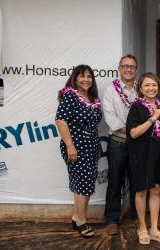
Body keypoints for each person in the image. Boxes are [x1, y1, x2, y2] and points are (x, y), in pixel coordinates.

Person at [55, 64, 102, 238]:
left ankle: (77, 216)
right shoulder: (70, 96)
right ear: (75, 78)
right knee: (82, 184)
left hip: (91, 146)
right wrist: (70, 146)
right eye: (82, 76)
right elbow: (60, 121)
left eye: (89, 76)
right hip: (75, 147)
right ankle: (81, 221)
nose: (86, 79)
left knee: (88, 183)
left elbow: (94, 125)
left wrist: (96, 147)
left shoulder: (92, 98)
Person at [126, 72, 160, 245]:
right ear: (140, 89)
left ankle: (154, 229)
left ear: (159, 87)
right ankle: (142, 228)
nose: (151, 88)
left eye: (154, 85)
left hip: (158, 155)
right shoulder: (137, 107)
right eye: (147, 85)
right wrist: (154, 117)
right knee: (141, 191)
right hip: (141, 155)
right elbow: (134, 132)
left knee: (156, 190)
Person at [102, 54, 138, 235]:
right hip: (118, 143)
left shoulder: (142, 88)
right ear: (119, 68)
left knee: (138, 182)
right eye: (125, 66)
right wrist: (132, 131)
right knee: (115, 182)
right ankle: (111, 220)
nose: (128, 69)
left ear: (136, 70)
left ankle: (136, 216)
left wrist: (139, 132)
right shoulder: (110, 91)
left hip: (139, 145)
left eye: (132, 66)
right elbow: (110, 118)